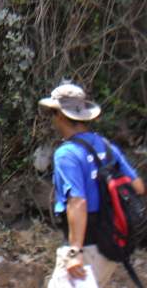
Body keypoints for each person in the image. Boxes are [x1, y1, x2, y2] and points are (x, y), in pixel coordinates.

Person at [39, 81, 145, 287]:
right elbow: (138, 186)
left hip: (85, 250)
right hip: (110, 246)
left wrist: (74, 252)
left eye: (53, 113)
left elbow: (77, 202)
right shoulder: (106, 146)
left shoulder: (66, 154)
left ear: (60, 115)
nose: (52, 119)